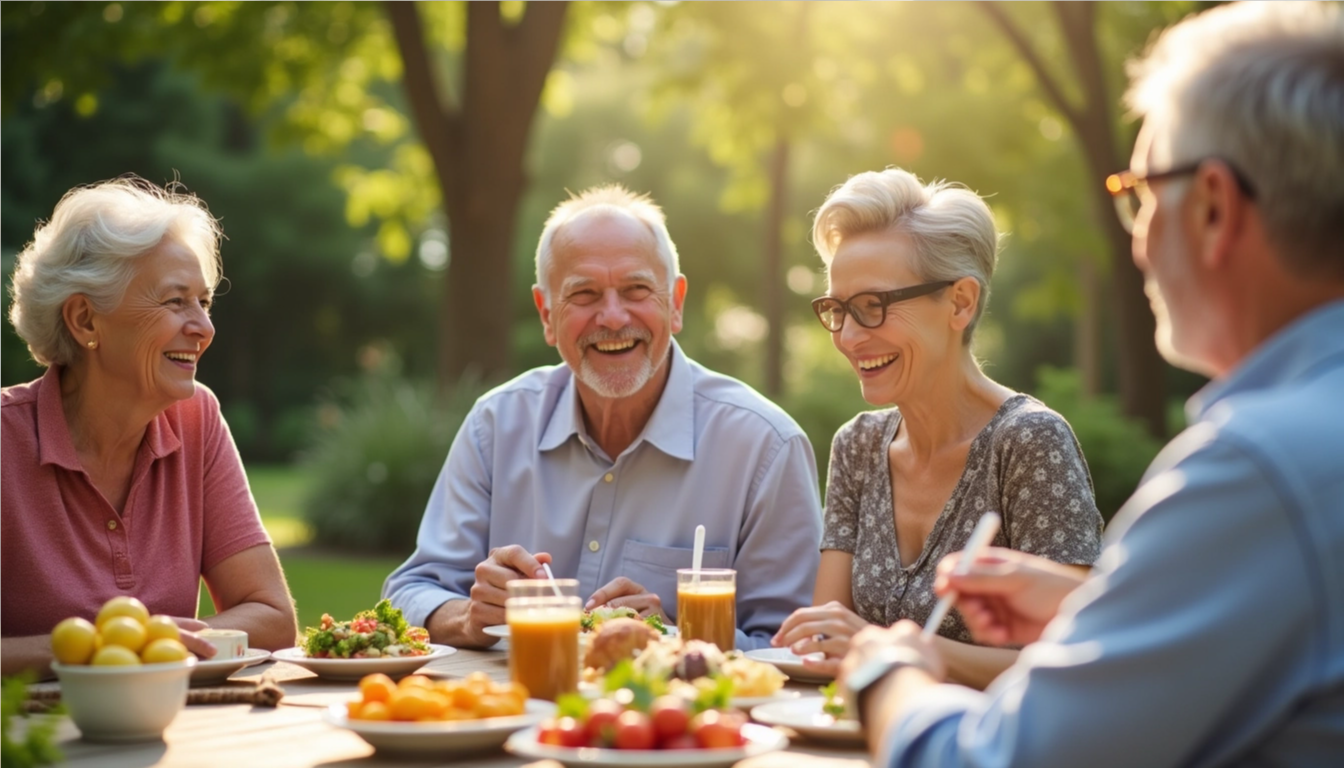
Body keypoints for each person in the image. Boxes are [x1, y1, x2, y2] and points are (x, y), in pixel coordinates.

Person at [812, 3, 1344, 767]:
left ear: (1217, 207)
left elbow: (997, 761)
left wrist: (888, 669)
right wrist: (1081, 608)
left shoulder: (1258, 470)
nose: (1136, 237)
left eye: (1143, 192)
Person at [383, 185, 823, 650]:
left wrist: (676, 636)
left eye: (636, 289)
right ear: (546, 313)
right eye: (585, 294)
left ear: (674, 302)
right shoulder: (495, 424)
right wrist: (470, 618)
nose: (612, 317)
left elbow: (795, 646)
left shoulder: (765, 447)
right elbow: (410, 592)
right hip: (508, 713)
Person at [770, 169, 1103, 690]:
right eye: (838, 309)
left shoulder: (1029, 443)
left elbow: (1080, 661)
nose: (850, 336)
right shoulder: (857, 446)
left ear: (960, 302)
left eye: (873, 306)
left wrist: (882, 648)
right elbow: (826, 641)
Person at [1, 177, 298, 676]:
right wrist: (99, 649)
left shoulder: (196, 418)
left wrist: (152, 643)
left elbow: (271, 615)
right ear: (85, 320)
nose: (204, 327)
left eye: (203, 302)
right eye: (175, 301)